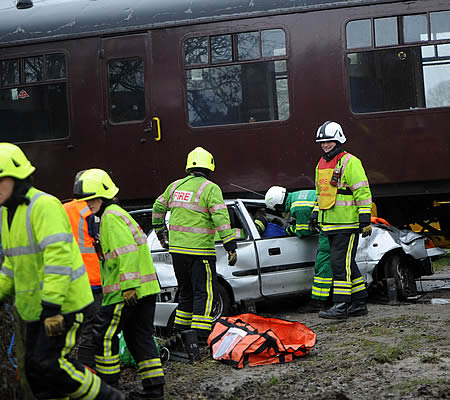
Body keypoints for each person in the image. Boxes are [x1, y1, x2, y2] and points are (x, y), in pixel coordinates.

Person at [0, 143, 123, 399]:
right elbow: (11, 264)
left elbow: (58, 259)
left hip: (63, 306)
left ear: (17, 176)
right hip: (35, 309)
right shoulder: (6, 214)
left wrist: (52, 307)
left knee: (52, 365)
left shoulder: (43, 205)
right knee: (36, 373)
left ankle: (111, 397)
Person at [75, 168, 165, 400]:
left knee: (103, 336)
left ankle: (108, 389)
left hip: (126, 292)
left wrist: (128, 286)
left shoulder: (110, 218)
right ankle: (154, 391)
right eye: (86, 200)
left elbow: (125, 253)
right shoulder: (118, 213)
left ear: (105, 195)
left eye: (93, 198)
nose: (90, 204)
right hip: (145, 289)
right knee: (140, 337)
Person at [152, 147, 237, 344]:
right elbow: (221, 217)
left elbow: (157, 207)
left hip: (177, 252)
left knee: (186, 291)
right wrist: (230, 244)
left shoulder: (174, 186)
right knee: (205, 293)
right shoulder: (210, 188)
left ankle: (181, 332)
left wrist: (159, 230)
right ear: (210, 166)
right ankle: (200, 336)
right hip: (200, 252)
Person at [309, 121, 372, 319]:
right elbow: (321, 193)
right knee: (347, 263)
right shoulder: (320, 163)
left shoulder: (350, 162)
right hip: (330, 223)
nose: (325, 145)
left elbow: (362, 191)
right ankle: (359, 303)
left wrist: (365, 218)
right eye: (322, 142)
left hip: (348, 223)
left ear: (338, 140)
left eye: (329, 141)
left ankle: (341, 304)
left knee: (339, 264)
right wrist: (314, 213)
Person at [265, 186, 332, 310]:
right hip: (336, 227)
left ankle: (319, 303)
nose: (281, 212)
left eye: (278, 209)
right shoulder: (298, 195)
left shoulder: (297, 207)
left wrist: (289, 229)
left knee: (322, 267)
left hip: (330, 232)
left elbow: (304, 231)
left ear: (279, 203)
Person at [63, 171, 103, 368]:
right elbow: (99, 243)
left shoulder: (62, 209)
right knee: (93, 326)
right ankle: (89, 370)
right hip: (93, 278)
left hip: (69, 279)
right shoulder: (91, 211)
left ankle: (68, 367)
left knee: (72, 328)